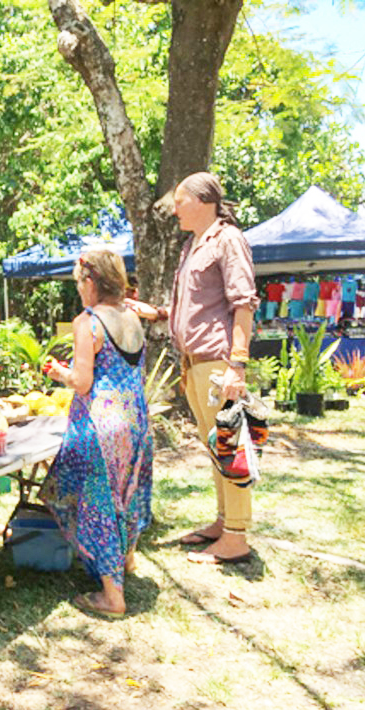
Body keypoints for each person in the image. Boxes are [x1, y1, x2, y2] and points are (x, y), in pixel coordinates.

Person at [131, 172, 258, 565]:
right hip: (195, 364)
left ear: (204, 201)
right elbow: (200, 306)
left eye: (180, 202)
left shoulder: (227, 239)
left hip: (219, 363)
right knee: (216, 447)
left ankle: (236, 538)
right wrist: (158, 313)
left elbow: (243, 303)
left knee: (230, 448)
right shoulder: (192, 245)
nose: (175, 210)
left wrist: (237, 365)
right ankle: (224, 522)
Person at [39, 249, 153, 618]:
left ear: (90, 282)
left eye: (78, 283)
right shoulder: (132, 316)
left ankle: (111, 597)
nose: (78, 290)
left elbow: (83, 381)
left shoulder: (87, 322)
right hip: (136, 418)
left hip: (101, 426)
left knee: (97, 503)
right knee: (127, 494)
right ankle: (126, 560)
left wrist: (60, 373)